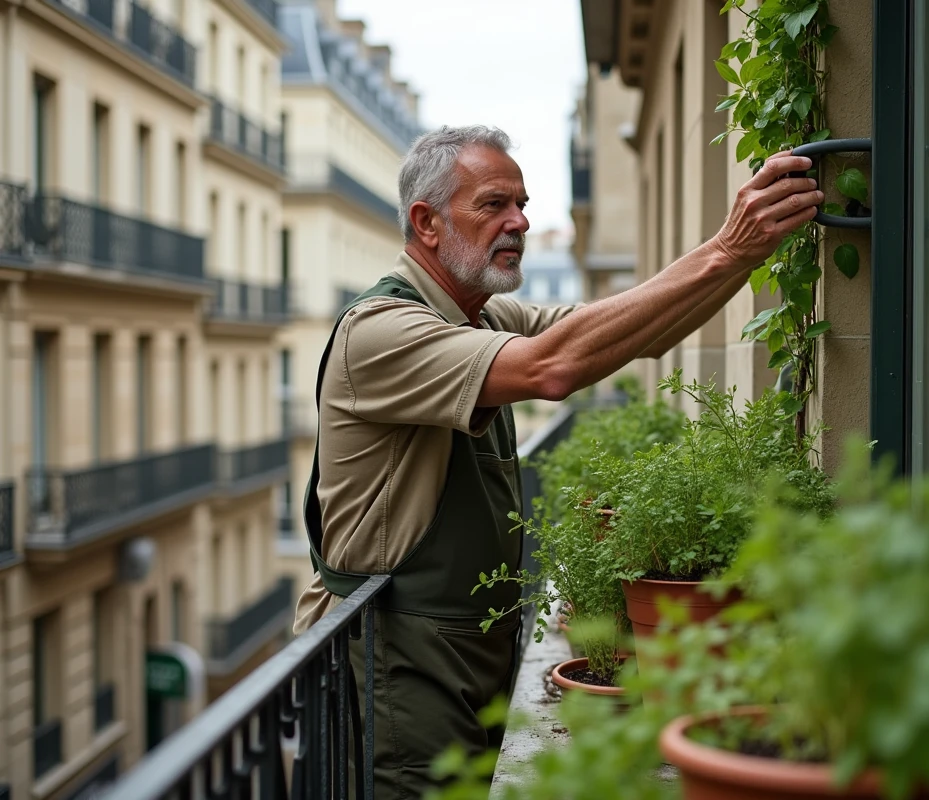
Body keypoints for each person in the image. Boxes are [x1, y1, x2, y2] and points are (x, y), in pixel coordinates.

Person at [295, 125, 824, 797]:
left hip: (463, 644)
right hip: (397, 655)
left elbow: (627, 331)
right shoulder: (379, 332)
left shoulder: (483, 317)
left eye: (522, 203)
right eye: (493, 204)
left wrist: (747, 255)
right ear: (426, 222)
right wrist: (725, 248)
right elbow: (554, 367)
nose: (519, 221)